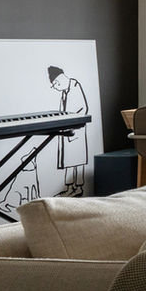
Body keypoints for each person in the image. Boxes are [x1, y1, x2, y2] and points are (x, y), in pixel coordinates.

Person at [48, 66, 89, 196]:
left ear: (58, 81)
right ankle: (70, 187)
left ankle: (77, 187)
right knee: (69, 161)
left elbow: (82, 109)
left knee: (76, 161)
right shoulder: (65, 91)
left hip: (75, 131)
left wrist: (70, 124)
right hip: (68, 131)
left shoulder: (75, 86)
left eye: (54, 85)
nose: (55, 88)